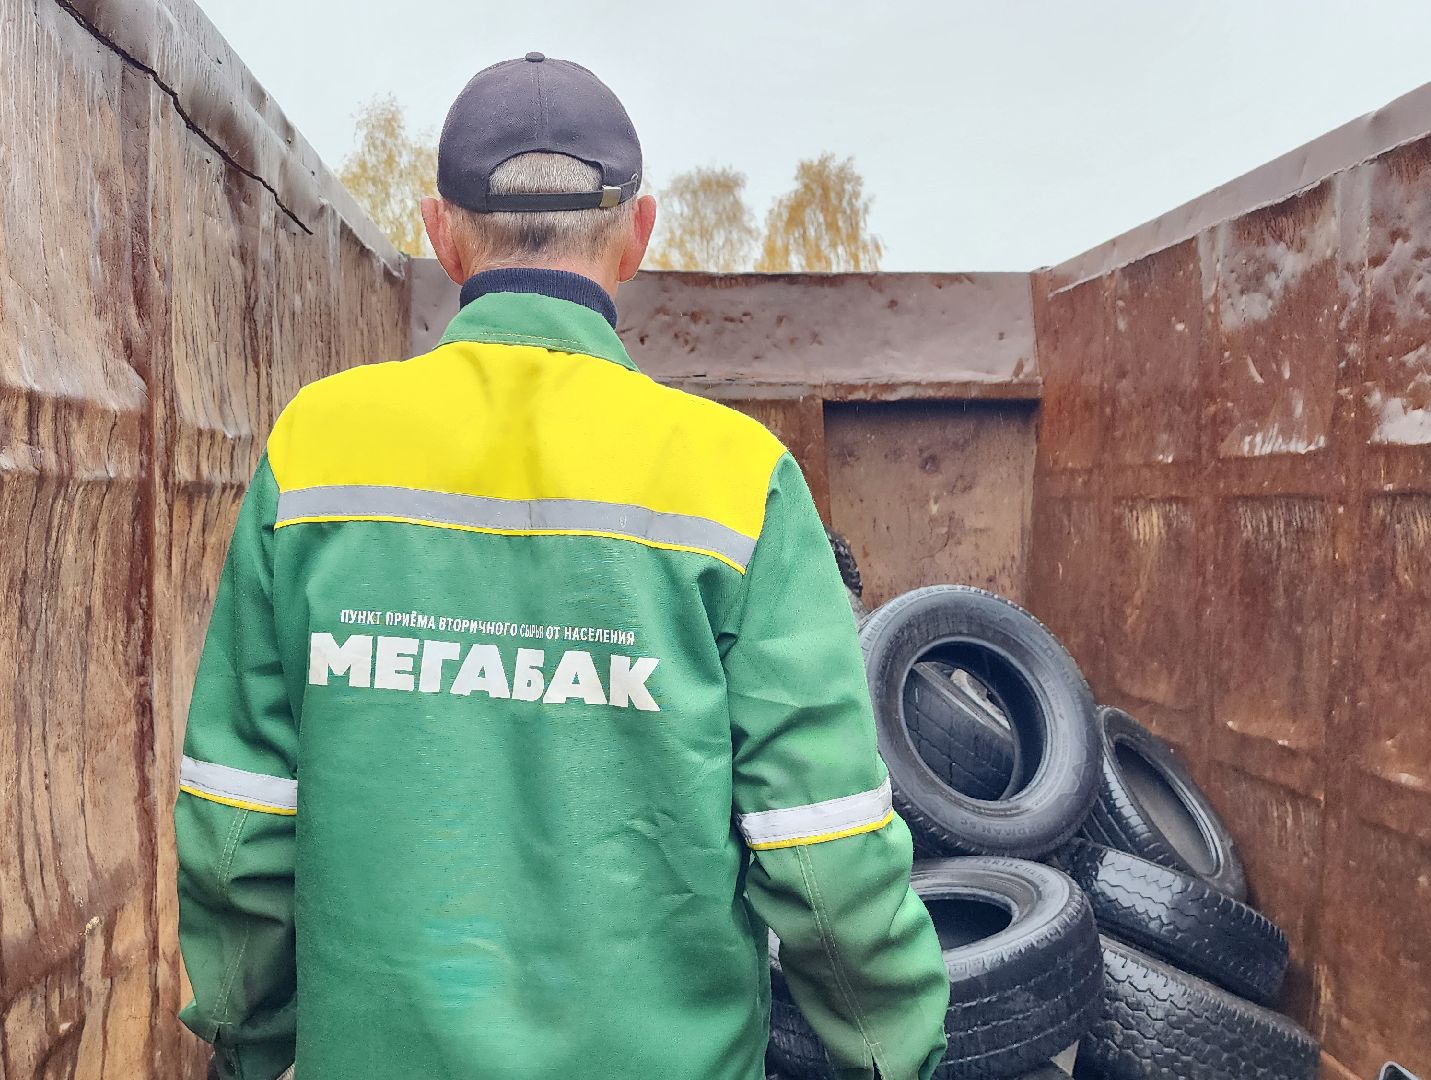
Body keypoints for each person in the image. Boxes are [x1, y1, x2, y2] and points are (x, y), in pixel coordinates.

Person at [173, 52, 949, 1080]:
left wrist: (251, 1043)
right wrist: (892, 1057)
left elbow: (237, 823)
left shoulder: (317, 451)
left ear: (442, 233)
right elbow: (822, 852)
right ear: (637, 236)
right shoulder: (735, 479)